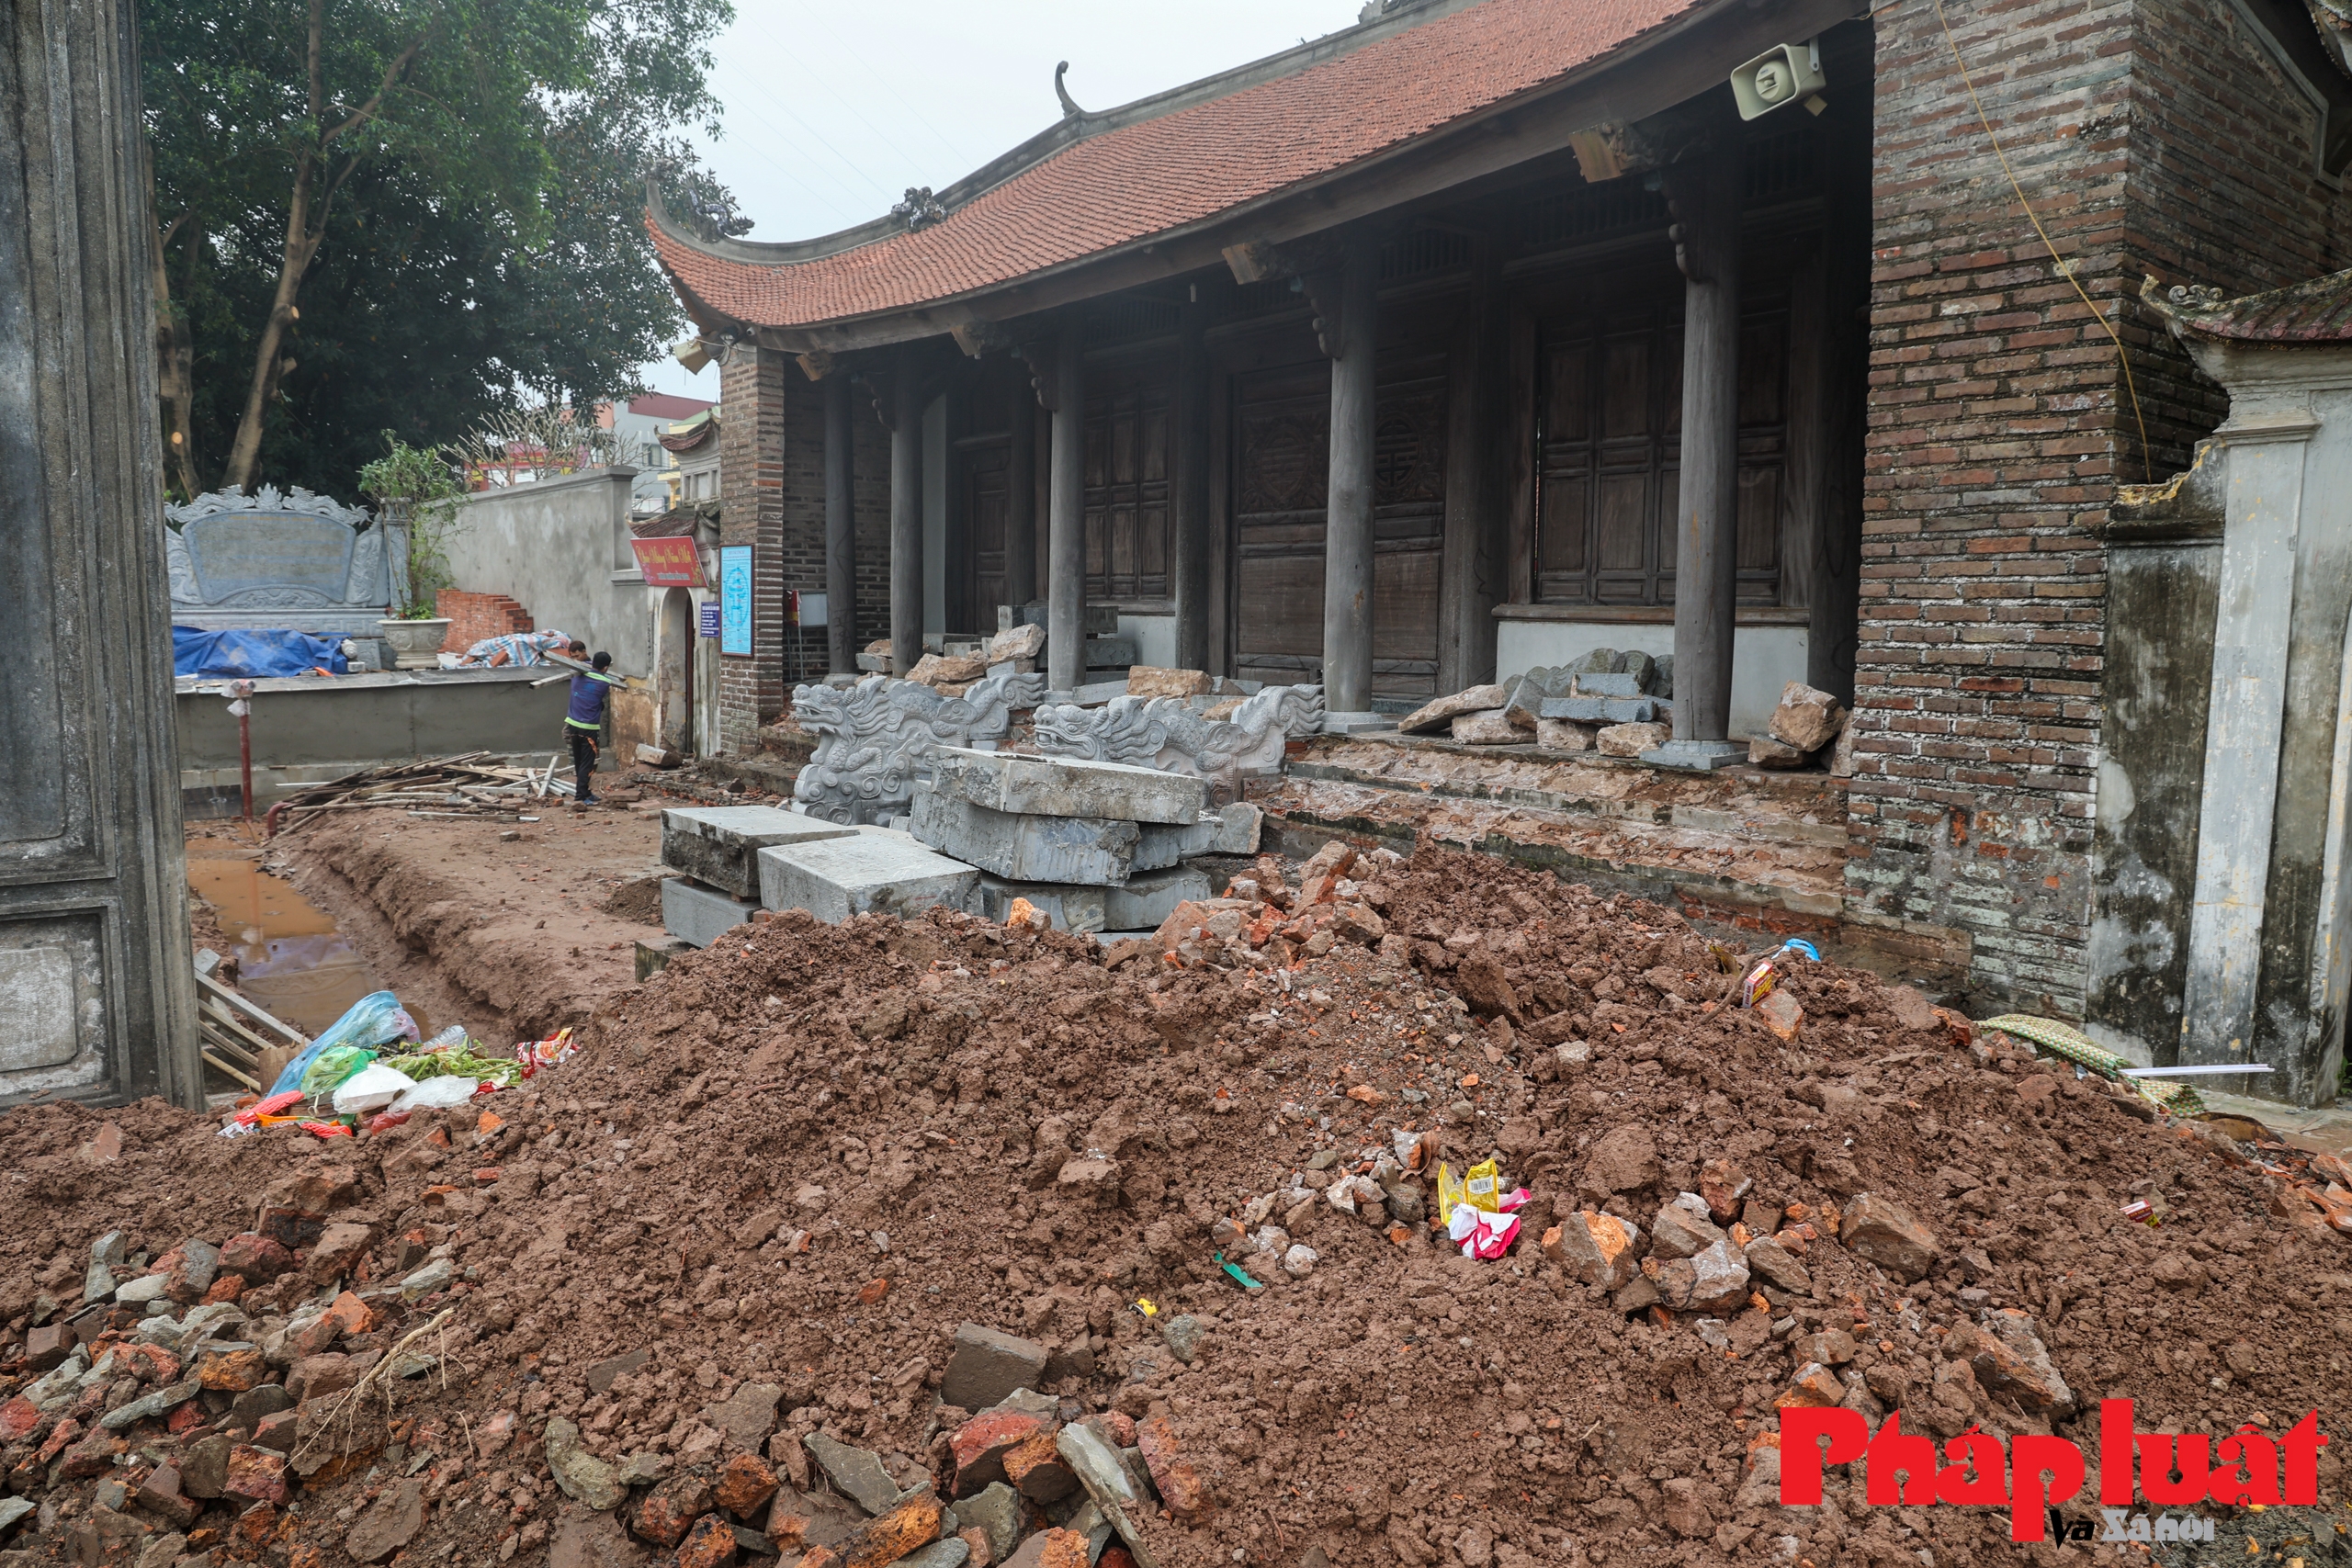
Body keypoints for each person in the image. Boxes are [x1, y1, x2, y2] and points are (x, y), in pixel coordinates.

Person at [566, 651, 614, 804]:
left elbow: (581, 668)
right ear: (605, 667)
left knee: (579, 761)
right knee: (587, 763)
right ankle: (580, 796)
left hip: (572, 724)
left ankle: (585, 792)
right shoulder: (604, 682)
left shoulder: (575, 676)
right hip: (588, 728)